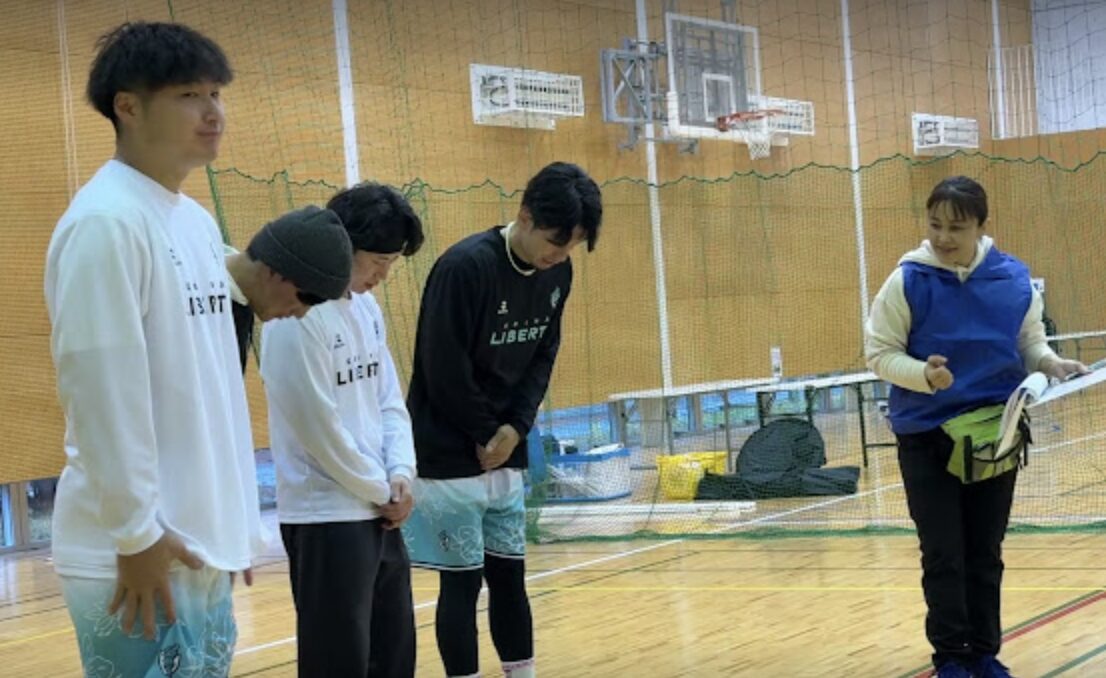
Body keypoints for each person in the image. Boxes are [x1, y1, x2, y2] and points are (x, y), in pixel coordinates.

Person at [44, 21, 266, 676]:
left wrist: (231, 520)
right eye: (189, 96)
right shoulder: (105, 222)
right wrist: (136, 534)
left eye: (216, 94)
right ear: (129, 107)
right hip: (131, 554)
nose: (213, 113)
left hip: (195, 544)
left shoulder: (195, 222)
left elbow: (212, 387)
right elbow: (101, 394)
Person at [865, 175, 1088, 678]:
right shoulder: (907, 281)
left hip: (995, 434)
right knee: (943, 552)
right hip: (926, 437)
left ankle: (985, 653)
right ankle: (950, 657)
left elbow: (1029, 341)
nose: (943, 237)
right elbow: (879, 353)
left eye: (956, 227)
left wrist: (1051, 363)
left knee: (985, 551)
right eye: (935, 225)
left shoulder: (1013, 279)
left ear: (982, 227)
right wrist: (923, 374)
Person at [403, 161, 602, 678]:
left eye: (572, 247)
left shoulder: (558, 273)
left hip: (505, 447)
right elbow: (441, 366)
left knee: (510, 577)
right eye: (556, 242)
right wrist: (485, 432)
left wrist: (516, 429)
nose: (559, 256)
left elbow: (543, 355)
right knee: (462, 582)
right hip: (449, 451)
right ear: (526, 215)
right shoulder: (463, 267)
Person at [260, 182, 424, 677]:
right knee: (338, 661)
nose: (383, 275)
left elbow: (388, 400)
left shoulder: (367, 308)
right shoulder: (296, 315)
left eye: (391, 263)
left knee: (394, 655)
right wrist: (381, 489)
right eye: (377, 261)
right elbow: (319, 429)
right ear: (341, 245)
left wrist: (401, 473)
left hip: (380, 509)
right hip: (326, 516)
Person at [224, 205, 354, 371]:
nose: (301, 314)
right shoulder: (205, 298)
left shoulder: (242, 302)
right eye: (306, 299)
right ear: (275, 271)